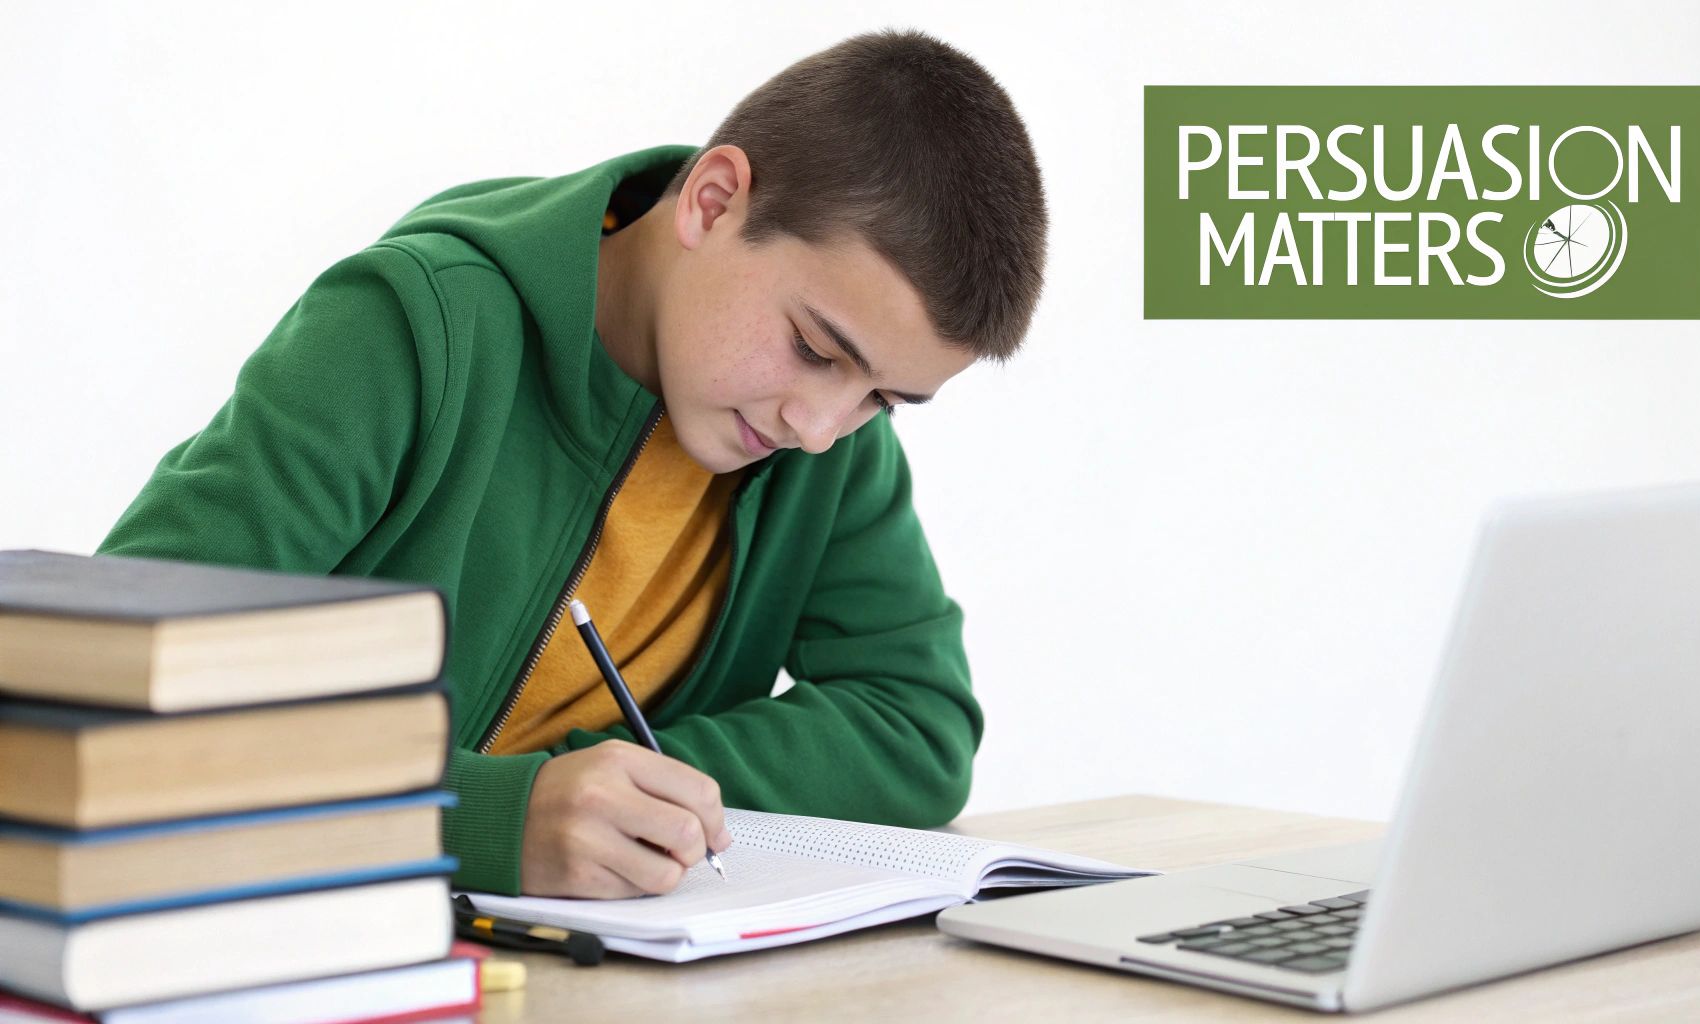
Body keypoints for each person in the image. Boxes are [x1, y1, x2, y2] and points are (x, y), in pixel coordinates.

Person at [97, 28, 1047, 898]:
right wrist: (486, 813)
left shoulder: (827, 442)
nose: (821, 426)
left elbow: (918, 726)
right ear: (714, 203)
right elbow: (110, 687)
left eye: (883, 397)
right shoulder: (410, 331)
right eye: (812, 346)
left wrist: (628, 791)